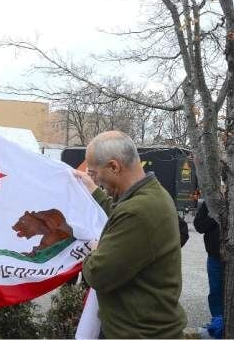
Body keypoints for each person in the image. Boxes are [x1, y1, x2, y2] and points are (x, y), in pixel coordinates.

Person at [76, 131, 187, 338]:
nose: (96, 180)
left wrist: (94, 249)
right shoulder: (153, 195)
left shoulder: (138, 211)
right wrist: (93, 190)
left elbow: (98, 275)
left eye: (94, 173)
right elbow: (121, 214)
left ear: (114, 167)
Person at [194, 201, 223, 338]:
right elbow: (199, 226)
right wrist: (215, 218)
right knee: (215, 290)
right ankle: (217, 323)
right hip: (214, 257)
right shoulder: (209, 203)